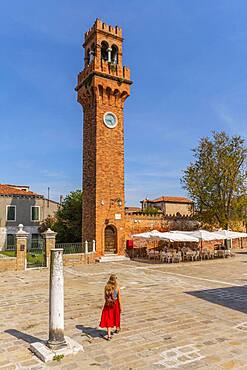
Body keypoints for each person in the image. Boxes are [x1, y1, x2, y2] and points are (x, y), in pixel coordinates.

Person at [99, 274, 121, 340]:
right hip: (115, 303)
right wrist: (120, 306)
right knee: (116, 316)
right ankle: (117, 328)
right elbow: (119, 298)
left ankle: (109, 335)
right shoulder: (117, 287)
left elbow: (105, 297)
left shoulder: (106, 287)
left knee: (109, 318)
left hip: (108, 304)